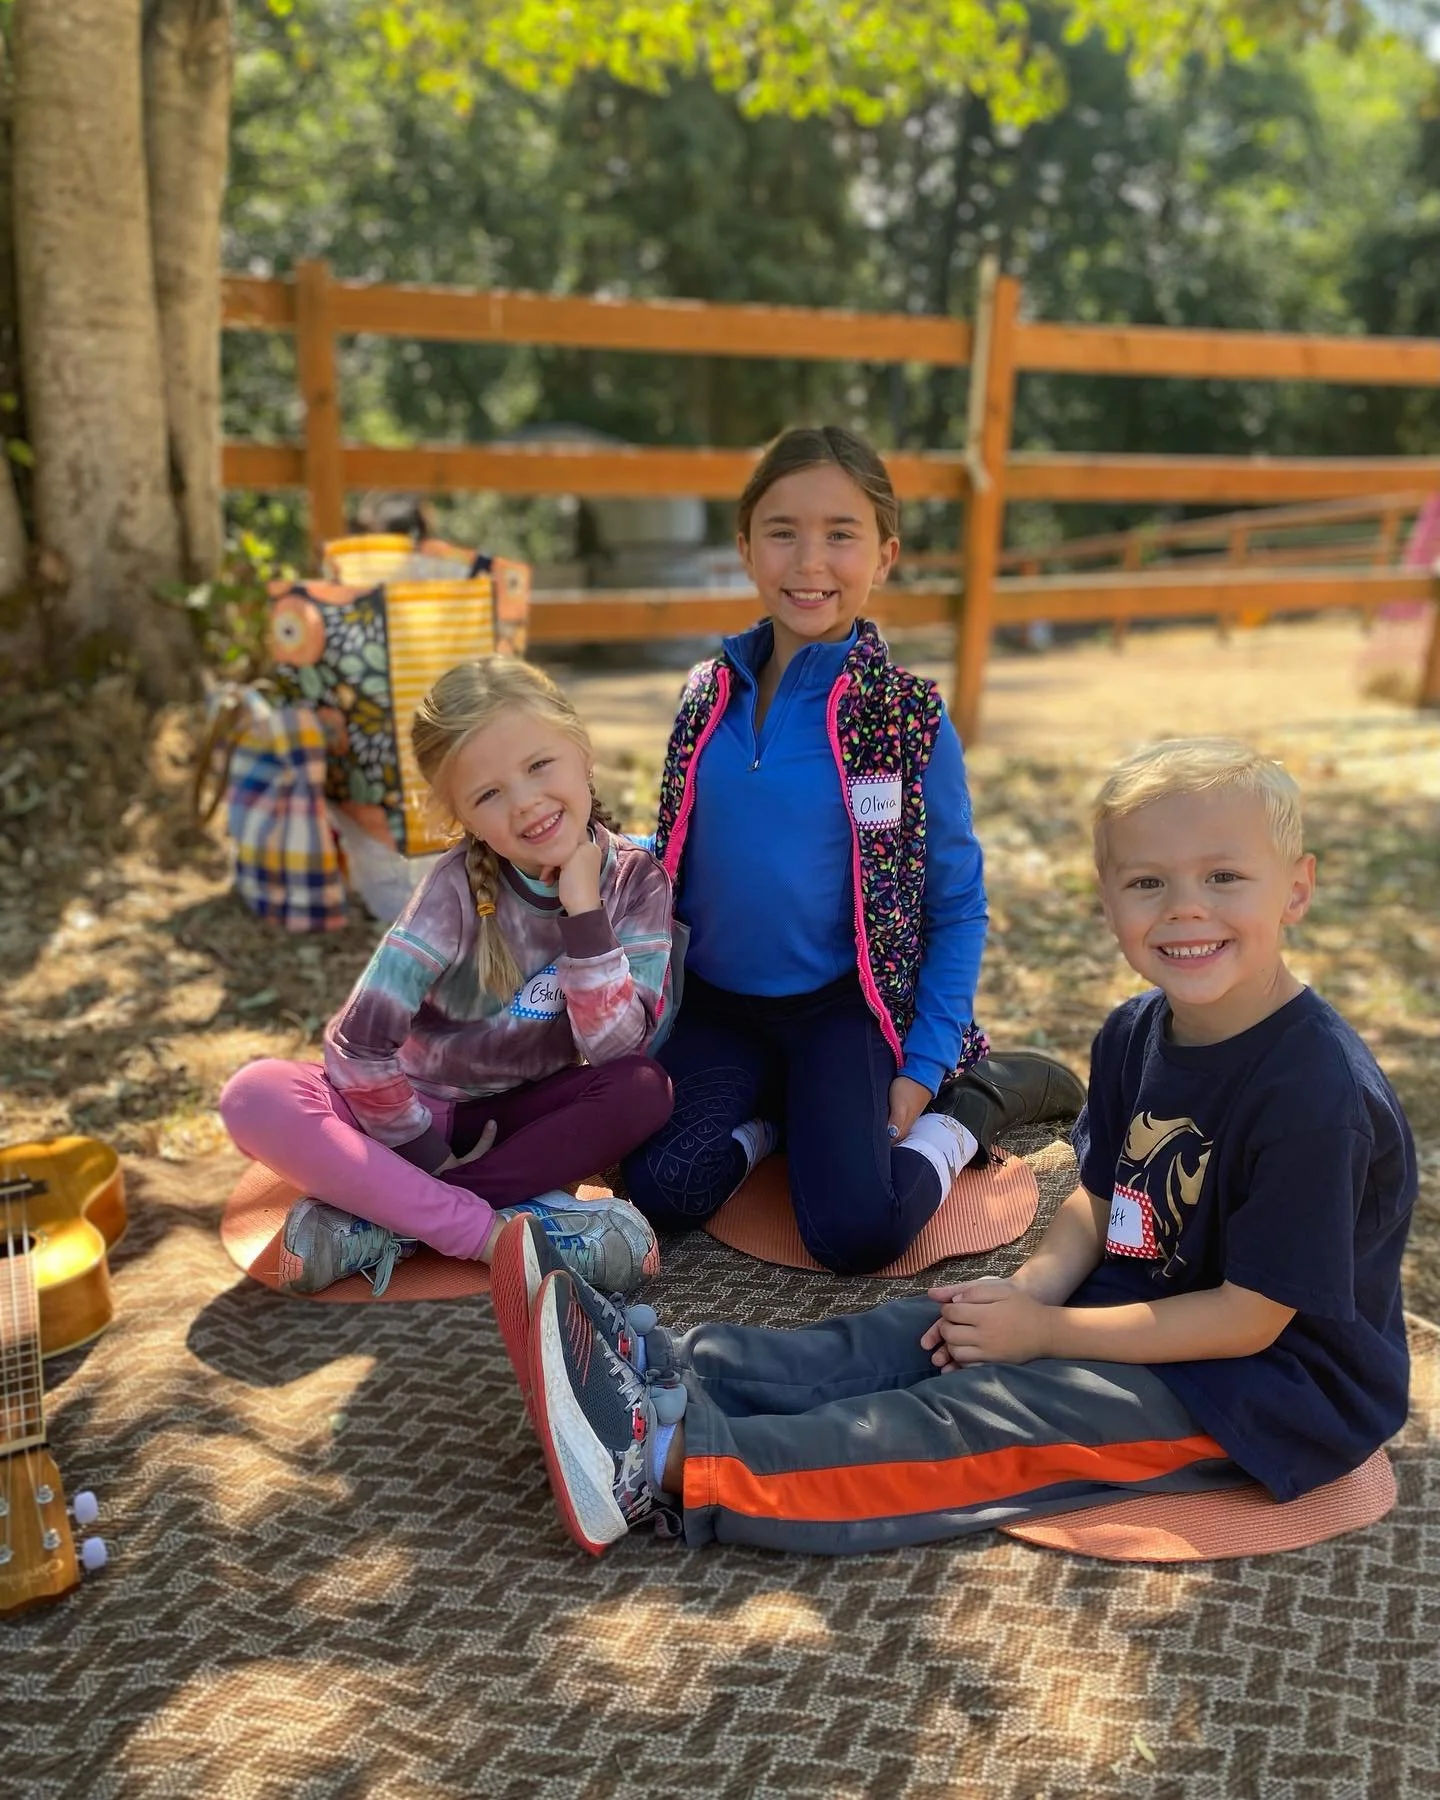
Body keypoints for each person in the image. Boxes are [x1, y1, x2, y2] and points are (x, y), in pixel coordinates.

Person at [493, 736, 1417, 1556]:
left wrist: (1050, 1336)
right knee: (926, 1329)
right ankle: (668, 1370)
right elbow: (1097, 1200)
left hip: (1263, 1389)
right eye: (1148, 882)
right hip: (1137, 1303)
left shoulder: (1315, 1093)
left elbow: (1251, 1319)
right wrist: (1024, 1297)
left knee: (973, 1419)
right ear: (1108, 902)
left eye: (1224, 877)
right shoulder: (1137, 1032)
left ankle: (663, 1463)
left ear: (1296, 888)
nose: (1184, 910)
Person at [621, 424, 1083, 1276]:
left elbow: (957, 903)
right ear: (746, 548)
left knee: (856, 1232)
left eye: (841, 534)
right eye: (782, 531)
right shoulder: (703, 697)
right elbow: (678, 843)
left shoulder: (908, 719)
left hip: (843, 1008)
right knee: (658, 1188)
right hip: (722, 1005)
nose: (809, 561)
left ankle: (975, 1104)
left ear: (885, 555)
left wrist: (925, 1066)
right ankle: (781, 1120)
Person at [220, 656, 675, 1298]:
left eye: (539, 765)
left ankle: (386, 1221)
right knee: (254, 1095)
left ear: (581, 748)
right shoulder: (451, 892)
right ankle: (485, 1232)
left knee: (642, 1089)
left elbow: (615, 1051)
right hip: (412, 1119)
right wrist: (423, 1154)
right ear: (461, 813)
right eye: (488, 794)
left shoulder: (634, 881)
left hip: (521, 1122)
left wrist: (584, 917)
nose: (526, 804)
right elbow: (357, 1047)